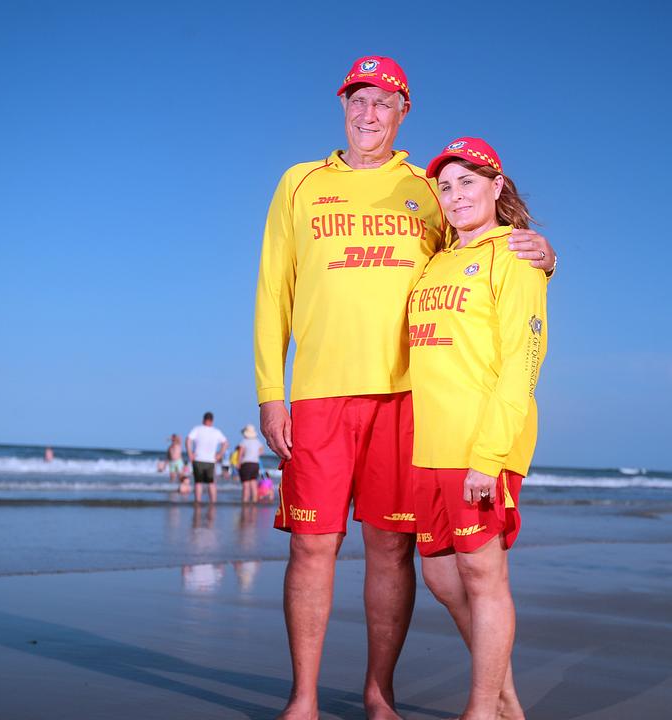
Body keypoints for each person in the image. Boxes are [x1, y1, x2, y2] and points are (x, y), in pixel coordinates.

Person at [254, 55, 556, 719]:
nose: (369, 114)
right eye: (358, 100)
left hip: (406, 399)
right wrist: (270, 390)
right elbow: (274, 288)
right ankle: (303, 699)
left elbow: (488, 247)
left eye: (384, 102)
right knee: (311, 545)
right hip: (318, 395)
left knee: (391, 549)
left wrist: (545, 253)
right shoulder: (299, 183)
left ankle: (378, 693)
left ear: (403, 112)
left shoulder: (427, 187)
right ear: (343, 106)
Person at [409, 136, 548, 719]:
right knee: (442, 580)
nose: (455, 194)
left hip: (481, 443)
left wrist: (488, 456)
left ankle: (480, 711)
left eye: (468, 181)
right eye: (445, 185)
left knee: (483, 575)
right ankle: (506, 699)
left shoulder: (515, 255)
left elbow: (524, 361)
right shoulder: (436, 258)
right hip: (428, 444)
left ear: (497, 188)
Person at [186, 411, 227, 504]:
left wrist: (190, 453)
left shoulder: (197, 429)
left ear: (203, 420)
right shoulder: (216, 432)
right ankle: (213, 502)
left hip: (198, 459)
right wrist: (219, 454)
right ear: (212, 421)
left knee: (198, 483)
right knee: (211, 483)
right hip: (211, 460)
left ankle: (198, 502)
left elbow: (188, 440)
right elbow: (225, 443)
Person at [237, 424, 264, 504]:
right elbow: (261, 451)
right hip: (255, 464)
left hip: (246, 464)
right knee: (253, 483)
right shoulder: (258, 442)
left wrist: (238, 463)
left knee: (246, 484)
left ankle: (245, 502)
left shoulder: (244, 441)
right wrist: (254, 455)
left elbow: (240, 453)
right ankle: (254, 501)